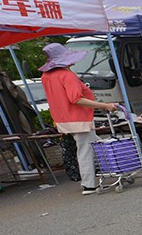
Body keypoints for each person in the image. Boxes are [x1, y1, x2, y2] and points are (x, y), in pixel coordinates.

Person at [37, 43, 119, 195]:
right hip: (78, 118)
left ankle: (110, 172)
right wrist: (105, 105)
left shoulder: (46, 76)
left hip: (63, 118)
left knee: (97, 145)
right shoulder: (67, 75)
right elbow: (76, 99)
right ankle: (89, 184)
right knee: (86, 150)